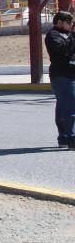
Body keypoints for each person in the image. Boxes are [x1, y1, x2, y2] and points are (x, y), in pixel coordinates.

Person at [45, 11, 75, 150]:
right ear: (60, 22)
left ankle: (63, 137)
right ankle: (71, 138)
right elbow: (63, 49)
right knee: (70, 107)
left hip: (71, 73)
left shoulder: (69, 35)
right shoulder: (53, 35)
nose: (71, 25)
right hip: (61, 75)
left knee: (63, 107)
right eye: (68, 22)